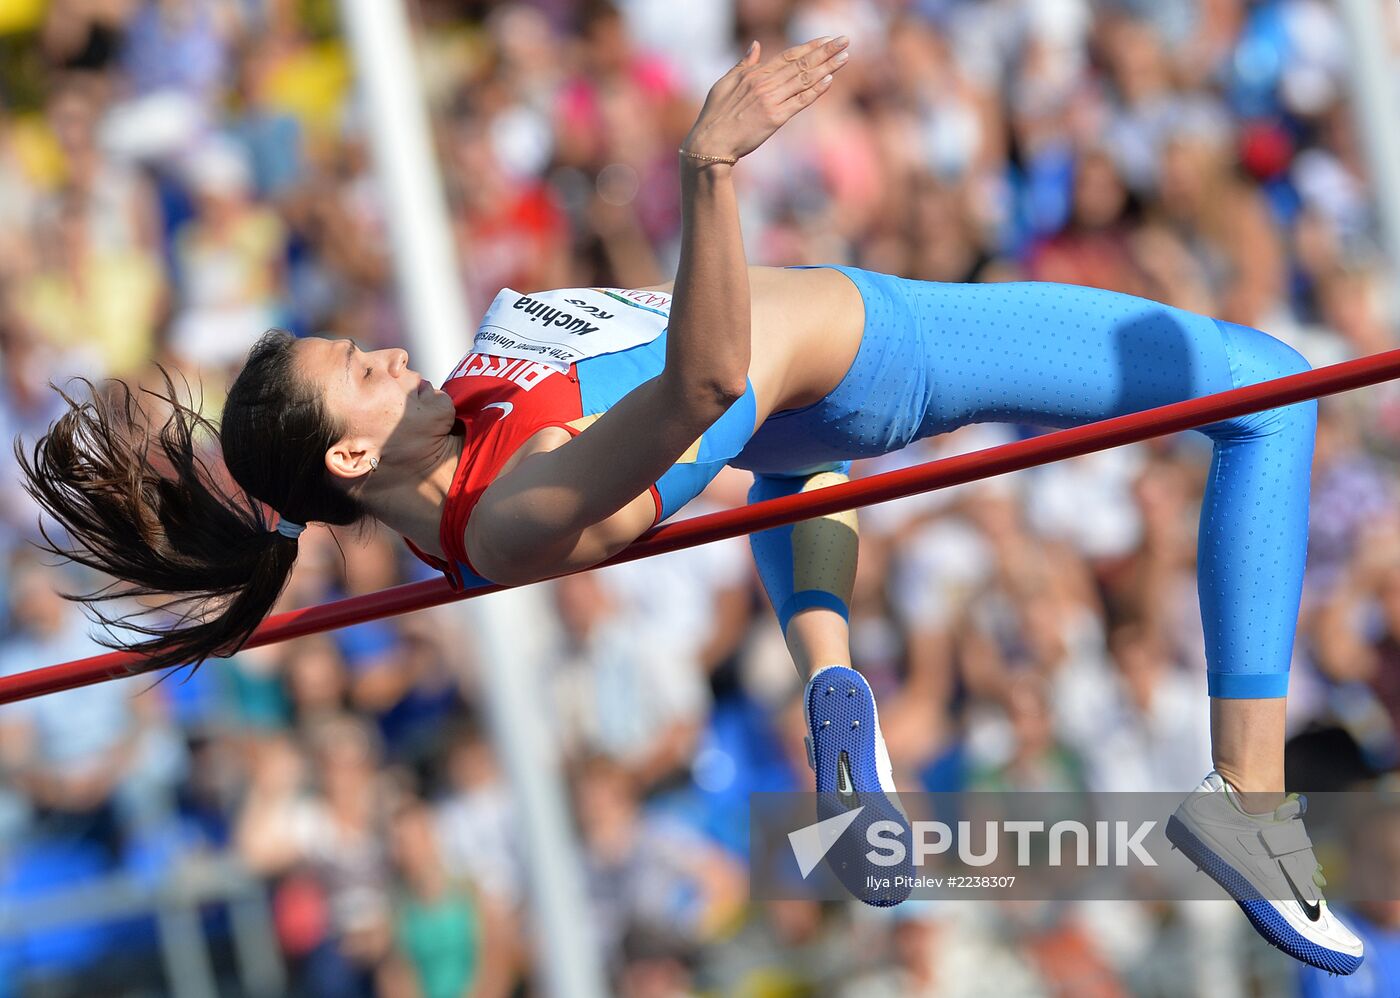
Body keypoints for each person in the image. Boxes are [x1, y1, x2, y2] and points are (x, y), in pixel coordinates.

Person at [14, 35, 1361, 973]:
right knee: (1270, 391)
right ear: (353, 461)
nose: (388, 352)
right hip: (889, 348)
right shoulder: (508, 510)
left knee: (780, 460)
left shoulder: (459, 440)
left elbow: (725, 417)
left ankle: (834, 684)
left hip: (803, 414)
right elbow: (705, 379)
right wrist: (709, 169)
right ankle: (1244, 798)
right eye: (360, 371)